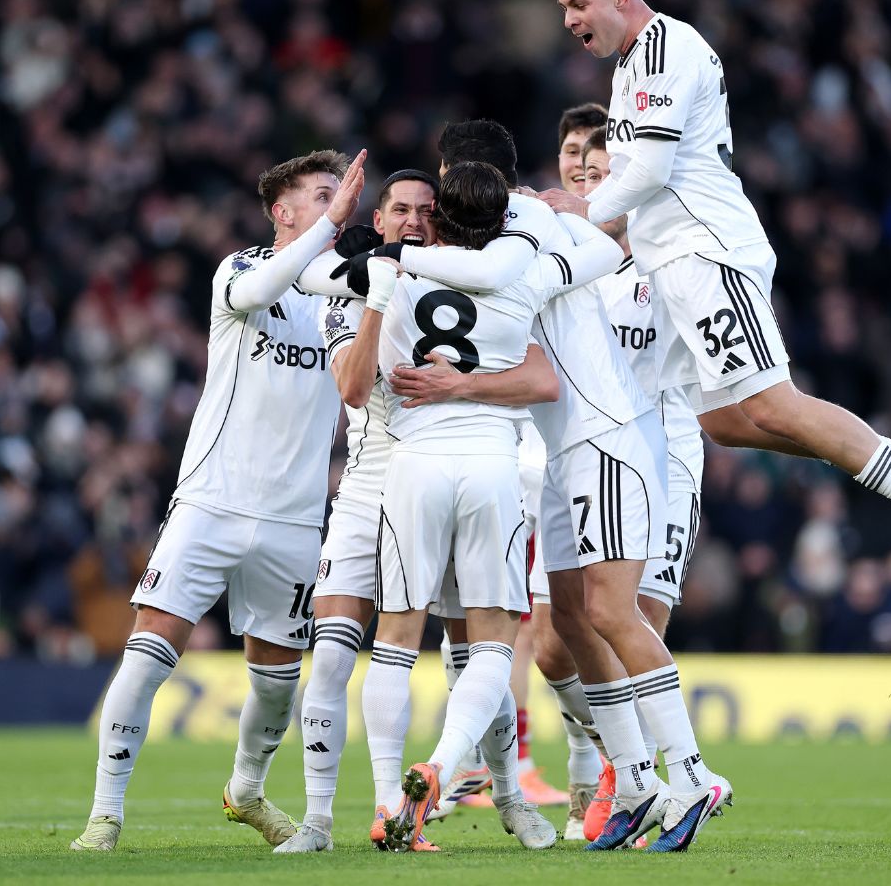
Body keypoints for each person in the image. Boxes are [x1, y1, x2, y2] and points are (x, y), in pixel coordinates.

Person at [538, 0, 891, 603]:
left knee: (771, 400)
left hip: (707, 255)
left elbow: (648, 171)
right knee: (724, 420)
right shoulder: (628, 68)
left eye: (578, 3)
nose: (568, 19)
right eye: (564, 6)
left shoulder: (662, 48)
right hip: (673, 265)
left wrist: (583, 209)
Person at [383, 120, 729, 852]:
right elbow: (602, 249)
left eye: (445, 181)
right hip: (561, 449)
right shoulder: (520, 232)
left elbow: (577, 269)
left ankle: (694, 775)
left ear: (464, 175)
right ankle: (635, 779)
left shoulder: (524, 226)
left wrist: (397, 261)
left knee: (609, 609)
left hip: (602, 435)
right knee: (564, 623)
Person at [70, 149, 367, 853]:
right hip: (211, 503)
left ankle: (247, 791)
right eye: (322, 194)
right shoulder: (240, 270)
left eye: (341, 193)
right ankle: (105, 815)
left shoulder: (343, 294)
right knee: (146, 658)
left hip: (294, 519)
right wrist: (334, 228)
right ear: (282, 211)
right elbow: (264, 287)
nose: (338, 203)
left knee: (274, 690)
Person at [278, 168, 561, 854]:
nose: (411, 219)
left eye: (423, 210)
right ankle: (327, 818)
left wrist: (462, 382)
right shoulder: (357, 285)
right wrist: (380, 290)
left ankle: (507, 796)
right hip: (370, 484)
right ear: (379, 221)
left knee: (470, 654)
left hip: (425, 469)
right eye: (399, 209)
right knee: (337, 656)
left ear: (440, 218)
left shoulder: (463, 275)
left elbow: (538, 375)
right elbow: (351, 385)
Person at [361, 160, 618, 853]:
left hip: (410, 464)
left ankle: (391, 801)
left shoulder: (389, 272)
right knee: (493, 641)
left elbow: (358, 376)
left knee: (394, 638)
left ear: (440, 214)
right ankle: (442, 768)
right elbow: (602, 256)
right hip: (491, 465)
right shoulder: (517, 272)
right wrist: (545, 215)